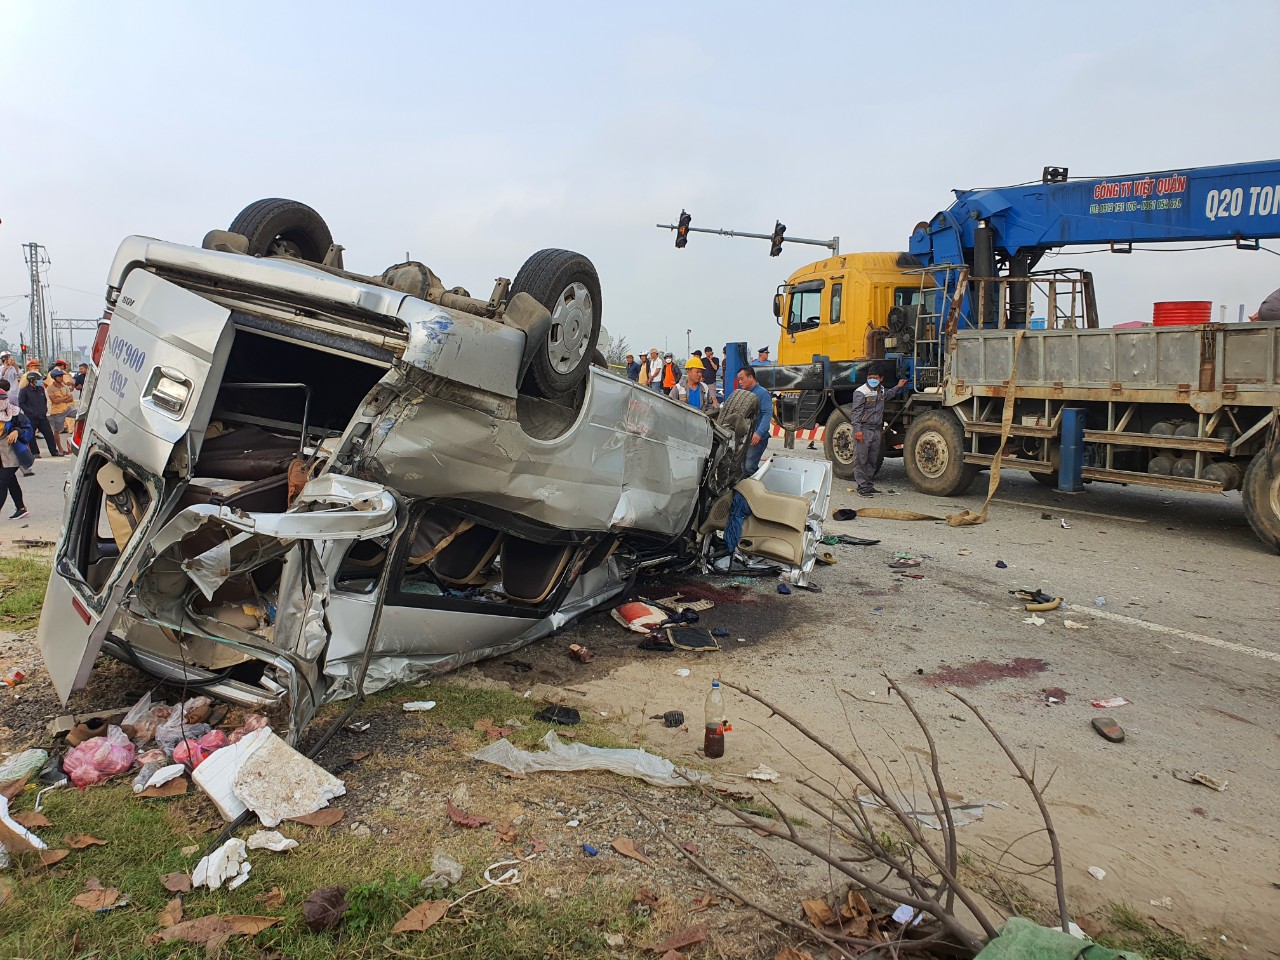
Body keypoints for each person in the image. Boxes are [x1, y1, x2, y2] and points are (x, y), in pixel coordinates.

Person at [847, 372, 910, 496]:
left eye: (875, 378)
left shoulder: (880, 390)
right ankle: (862, 487)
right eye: (870, 377)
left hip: (876, 429)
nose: (872, 380)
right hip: (864, 429)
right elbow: (855, 414)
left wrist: (898, 386)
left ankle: (869, 485)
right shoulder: (861, 392)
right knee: (861, 459)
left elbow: (888, 395)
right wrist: (858, 430)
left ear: (881, 378)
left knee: (872, 459)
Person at [737, 365, 773, 475]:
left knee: (749, 467)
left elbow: (767, 414)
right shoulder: (744, 394)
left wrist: (759, 433)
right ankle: (745, 491)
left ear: (751, 377)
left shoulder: (762, 393)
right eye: (739, 379)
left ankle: (760, 486)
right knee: (742, 467)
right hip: (745, 437)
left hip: (757, 438)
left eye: (742, 379)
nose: (740, 382)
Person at [0, 389, 29, 520]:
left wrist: (17, 431)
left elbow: (28, 428)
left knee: (1, 484)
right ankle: (21, 508)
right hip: (0, 457)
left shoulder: (15, 413)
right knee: (11, 481)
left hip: (12, 455)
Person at [19, 371, 61, 459]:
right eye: (38, 380)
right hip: (31, 417)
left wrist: (44, 410)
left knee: (49, 434)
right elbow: (21, 403)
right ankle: (35, 452)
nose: (40, 381)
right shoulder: (24, 391)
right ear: (32, 380)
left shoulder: (41, 389)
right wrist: (30, 411)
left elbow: (44, 400)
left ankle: (54, 451)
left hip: (42, 416)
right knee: (31, 435)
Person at [46, 368, 77, 455]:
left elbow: (71, 398)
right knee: (57, 431)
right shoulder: (50, 388)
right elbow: (54, 401)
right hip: (57, 412)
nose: (61, 378)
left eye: (61, 376)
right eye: (59, 376)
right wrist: (64, 398)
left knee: (80, 415)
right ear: (54, 377)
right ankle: (60, 448)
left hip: (68, 409)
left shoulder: (65, 387)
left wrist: (61, 399)